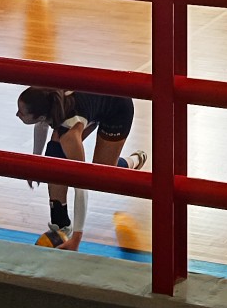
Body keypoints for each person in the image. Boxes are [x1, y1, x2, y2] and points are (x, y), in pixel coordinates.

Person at [16, 87, 146, 251]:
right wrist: (36, 163)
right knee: (54, 156)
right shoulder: (48, 102)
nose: (17, 114)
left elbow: (81, 188)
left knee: (102, 174)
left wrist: (76, 239)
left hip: (116, 106)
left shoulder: (70, 135)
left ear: (41, 115)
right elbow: (41, 126)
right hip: (88, 105)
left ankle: (135, 160)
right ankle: (60, 224)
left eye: (21, 113)